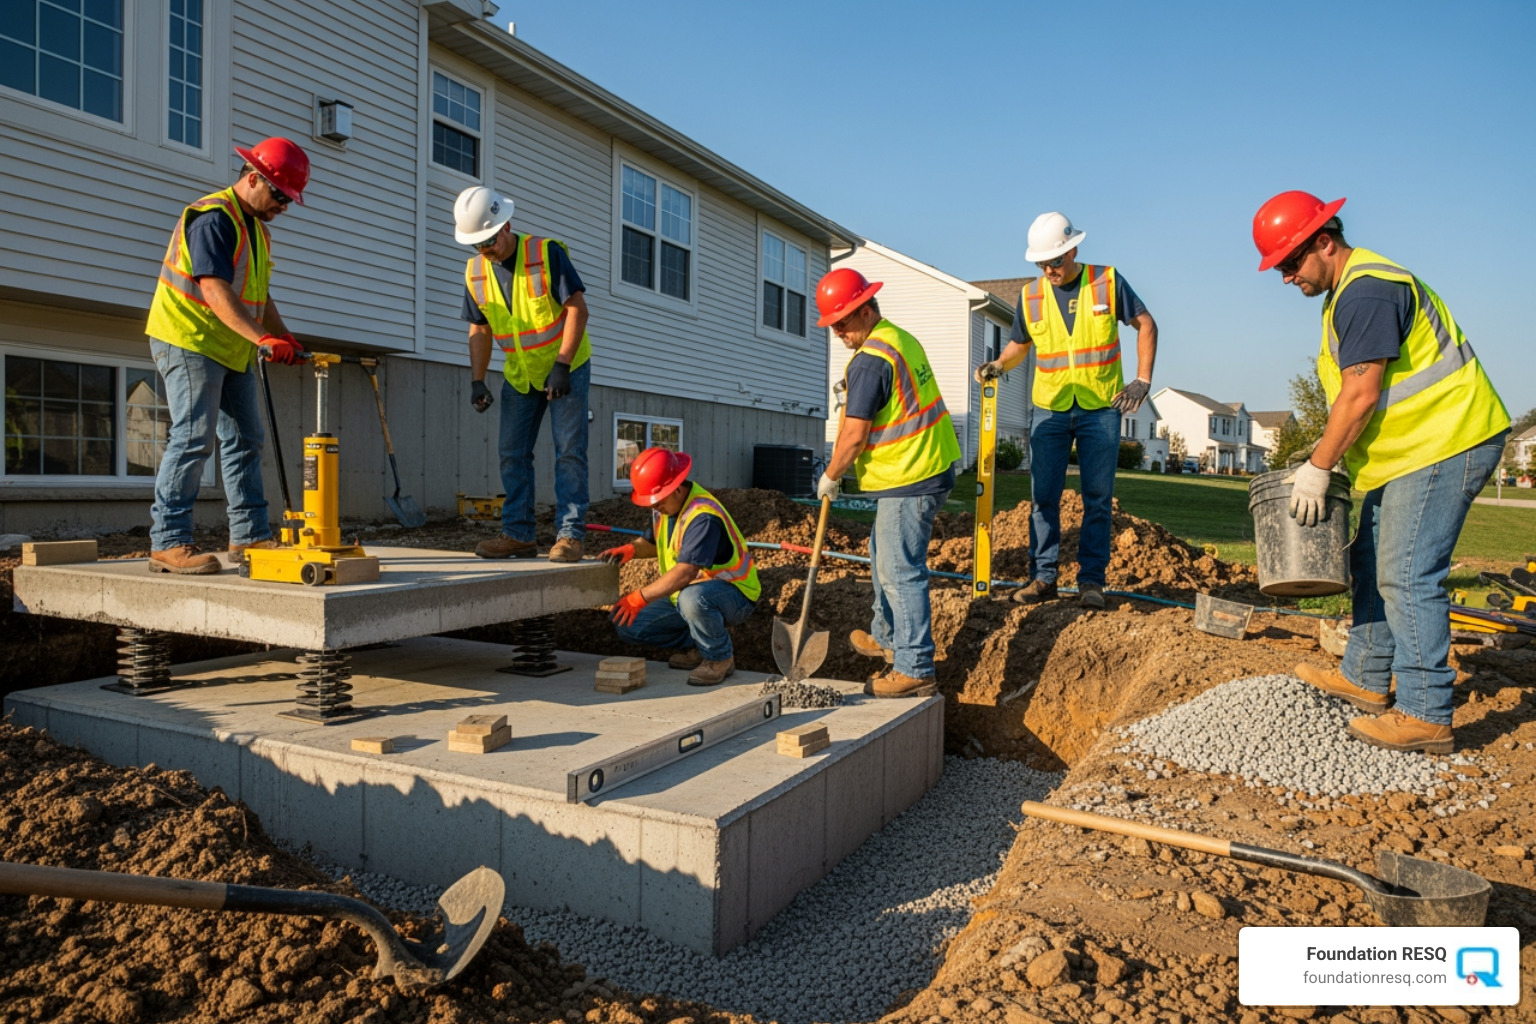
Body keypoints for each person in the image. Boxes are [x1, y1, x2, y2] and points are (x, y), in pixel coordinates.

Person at [1256, 191, 1510, 754]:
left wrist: (1318, 467)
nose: (1285, 277)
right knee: (1368, 559)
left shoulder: (1368, 289)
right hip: (1407, 453)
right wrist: (1328, 455)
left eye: (1290, 263)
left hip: (1447, 441)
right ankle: (1365, 675)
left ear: (1325, 241)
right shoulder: (1345, 292)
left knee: (1407, 572)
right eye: (1279, 267)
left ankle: (1425, 712)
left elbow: (1361, 392)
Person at [143, 137, 310, 574]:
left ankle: (249, 536)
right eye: (279, 195)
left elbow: (258, 294)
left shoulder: (257, 229)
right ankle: (168, 541)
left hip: (229, 345)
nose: (284, 206)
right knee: (193, 436)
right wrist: (261, 340)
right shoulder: (214, 217)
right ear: (253, 179)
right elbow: (213, 289)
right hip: (190, 338)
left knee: (244, 439)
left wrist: (284, 337)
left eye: (289, 199)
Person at [975, 212, 1158, 609]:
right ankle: (1042, 578)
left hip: (1100, 409)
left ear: (1073, 249)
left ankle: (1091, 582)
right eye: (1042, 263)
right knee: (1043, 497)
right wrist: (998, 365)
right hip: (1050, 409)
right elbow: (1020, 344)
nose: (1049, 269)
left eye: (1055, 261)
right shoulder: (1030, 295)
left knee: (1096, 498)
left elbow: (1146, 324)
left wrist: (1143, 379)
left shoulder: (1107, 281)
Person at [816, 268, 962, 698]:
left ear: (864, 309)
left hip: (911, 475)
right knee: (882, 555)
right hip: (924, 466)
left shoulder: (870, 361)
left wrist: (830, 476)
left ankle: (914, 665)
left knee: (900, 571)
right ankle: (887, 637)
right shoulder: (898, 338)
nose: (839, 332)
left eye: (842, 321)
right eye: (833, 325)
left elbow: (855, 435)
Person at [455, 186, 591, 562]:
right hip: (520, 373)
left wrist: (562, 365)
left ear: (506, 225)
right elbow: (480, 328)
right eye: (477, 244)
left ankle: (570, 535)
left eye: (490, 241)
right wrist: (477, 379)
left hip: (566, 366)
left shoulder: (547, 253)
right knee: (512, 453)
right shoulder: (475, 271)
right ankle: (518, 534)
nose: (486, 250)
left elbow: (577, 309)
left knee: (568, 453)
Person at [601, 448, 760, 686]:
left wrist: (640, 597)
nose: (655, 507)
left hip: (734, 594)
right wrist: (632, 550)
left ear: (676, 487)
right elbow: (654, 543)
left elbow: (685, 572)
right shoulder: (664, 509)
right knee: (629, 625)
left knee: (693, 599)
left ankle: (719, 658)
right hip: (687, 594)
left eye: (659, 500)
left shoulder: (702, 516)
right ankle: (698, 643)